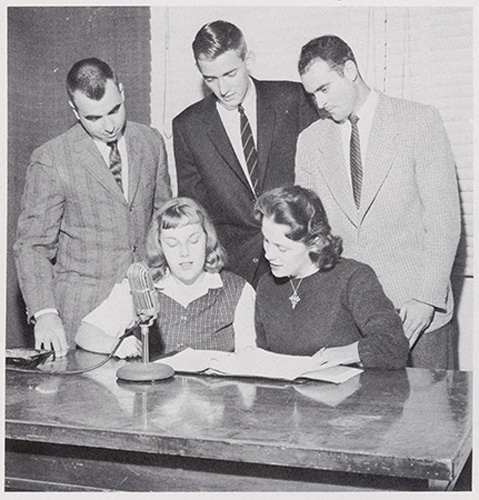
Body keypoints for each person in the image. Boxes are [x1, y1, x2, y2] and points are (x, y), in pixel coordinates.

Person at [295, 35, 460, 369]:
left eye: (325, 88)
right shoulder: (310, 141)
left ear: (351, 70)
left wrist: (426, 298)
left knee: (426, 418)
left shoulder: (419, 122)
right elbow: (310, 234)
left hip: (417, 315)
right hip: (350, 320)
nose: (319, 103)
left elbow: (444, 223)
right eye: (311, 94)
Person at [14, 57, 172, 357]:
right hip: (80, 320)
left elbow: (164, 222)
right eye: (94, 118)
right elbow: (32, 245)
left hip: (146, 313)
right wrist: (45, 313)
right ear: (75, 111)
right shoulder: (51, 158)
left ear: (122, 91)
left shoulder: (150, 141)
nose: (110, 125)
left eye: (114, 110)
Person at [173, 20, 318, 288]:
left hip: (298, 260)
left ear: (247, 59)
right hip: (234, 271)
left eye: (230, 74)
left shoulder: (293, 99)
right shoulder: (187, 127)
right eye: (210, 78)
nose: (223, 88)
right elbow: (196, 210)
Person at [75, 197, 256, 358]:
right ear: (160, 246)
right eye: (172, 244)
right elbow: (85, 334)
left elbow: (250, 358)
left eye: (193, 241)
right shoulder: (141, 286)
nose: (184, 252)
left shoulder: (238, 290)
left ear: (207, 240)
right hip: (153, 395)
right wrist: (115, 345)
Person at [254, 185, 409, 370]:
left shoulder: (353, 278)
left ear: (316, 243)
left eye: (281, 248)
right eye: (266, 241)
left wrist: (343, 354)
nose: (268, 255)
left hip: (353, 394)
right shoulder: (267, 285)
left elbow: (393, 345)